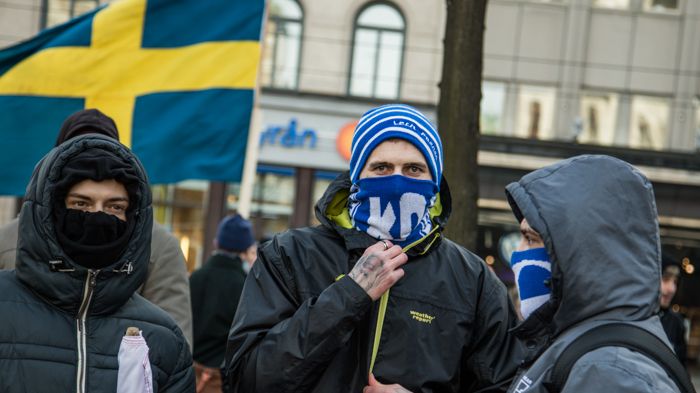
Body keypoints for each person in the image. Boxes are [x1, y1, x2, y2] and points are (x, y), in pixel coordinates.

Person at [224, 104, 522, 393]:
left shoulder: (474, 280)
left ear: (434, 181)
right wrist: (348, 295)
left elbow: (505, 384)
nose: (396, 182)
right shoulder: (289, 255)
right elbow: (246, 379)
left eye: (414, 168)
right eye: (381, 167)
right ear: (356, 175)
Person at [0, 133, 194, 392]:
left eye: (115, 207)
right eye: (81, 203)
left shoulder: (163, 337)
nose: (97, 216)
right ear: (52, 211)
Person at [505, 155, 679, 392]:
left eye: (530, 238)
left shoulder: (609, 372)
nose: (518, 252)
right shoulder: (589, 350)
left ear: (577, 250)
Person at [190, 214, 257, 393]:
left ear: (216, 243)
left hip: (187, 372)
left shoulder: (195, 278)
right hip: (221, 378)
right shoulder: (246, 287)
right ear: (245, 250)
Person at [660, 255, 687, 365]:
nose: (672, 289)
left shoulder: (676, 322)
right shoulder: (635, 315)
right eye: (665, 279)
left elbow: (681, 366)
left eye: (675, 282)